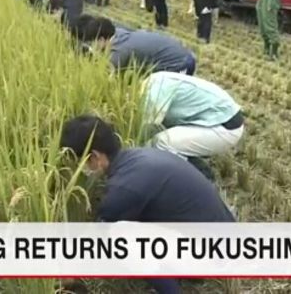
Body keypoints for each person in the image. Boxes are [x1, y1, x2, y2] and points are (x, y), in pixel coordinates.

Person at [59, 115, 236, 294]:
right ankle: (179, 269)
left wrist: (70, 269)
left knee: (120, 236)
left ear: (95, 156)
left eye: (80, 161)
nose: (80, 169)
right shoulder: (138, 157)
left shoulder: (125, 187)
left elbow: (100, 236)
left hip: (214, 256)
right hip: (223, 240)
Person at [142, 72, 245, 172]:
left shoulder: (155, 87)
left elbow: (147, 126)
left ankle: (200, 173)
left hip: (224, 127)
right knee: (160, 139)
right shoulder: (156, 78)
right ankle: (186, 156)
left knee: (160, 143)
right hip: (212, 120)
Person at [83, 16, 197, 75]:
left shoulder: (121, 51)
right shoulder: (120, 32)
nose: (93, 46)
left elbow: (110, 74)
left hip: (181, 63)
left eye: (93, 42)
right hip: (180, 54)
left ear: (102, 39)